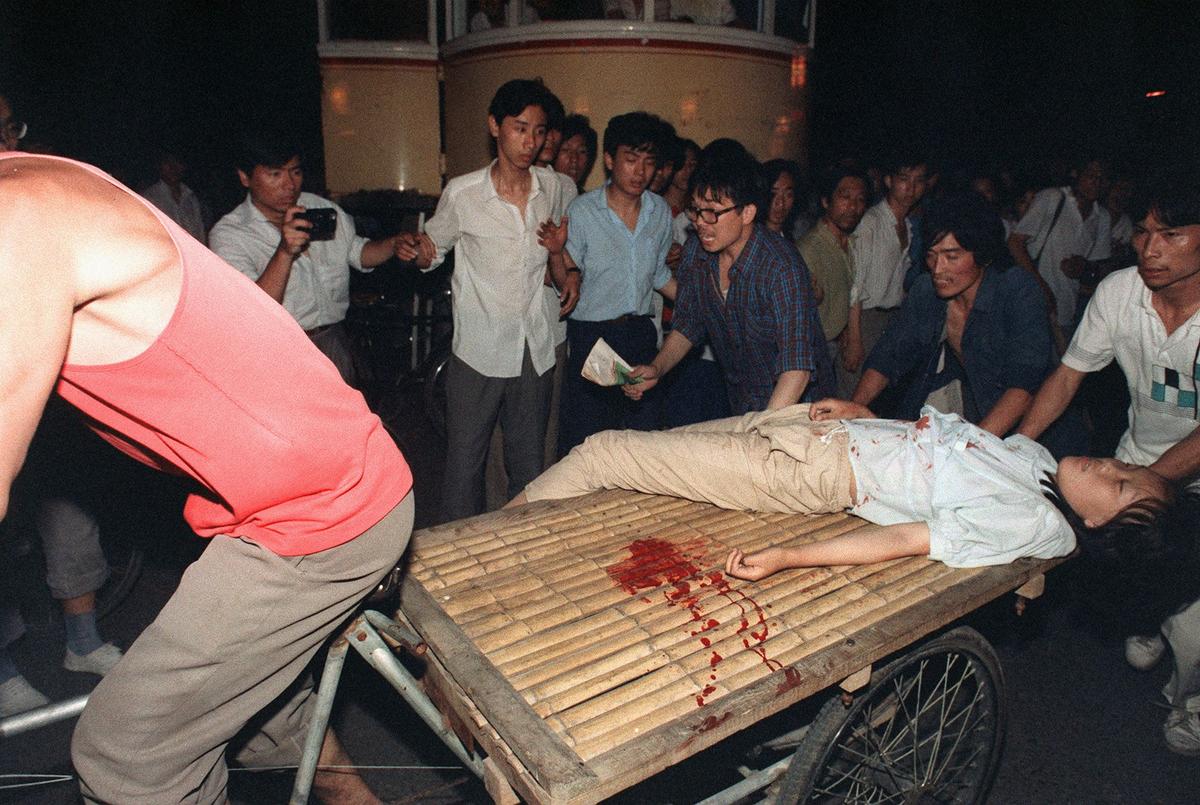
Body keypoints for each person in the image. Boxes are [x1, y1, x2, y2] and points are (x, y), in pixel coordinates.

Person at [0, 152, 414, 802]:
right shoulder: (33, 184)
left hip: (320, 507)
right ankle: (343, 785)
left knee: (128, 751)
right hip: (289, 492)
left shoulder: (16, 217)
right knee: (254, 712)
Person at [511, 401, 1170, 575]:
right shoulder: (1038, 465)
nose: (1111, 466)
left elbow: (907, 538)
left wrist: (789, 556)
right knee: (635, 460)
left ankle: (477, 548)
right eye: (1127, 468)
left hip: (814, 472)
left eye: (1119, 489)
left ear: (1102, 530)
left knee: (606, 453)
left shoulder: (1039, 522)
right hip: (820, 430)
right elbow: (933, 448)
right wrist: (862, 411)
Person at [1017, 176, 1200, 756]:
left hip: (1183, 479)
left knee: (1195, 632)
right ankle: (1150, 616)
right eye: (1144, 233)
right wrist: (1016, 445)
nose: (1150, 249)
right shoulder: (1121, 291)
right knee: (1133, 578)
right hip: (1137, 459)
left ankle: (1187, 703)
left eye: (1170, 235)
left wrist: (1150, 486)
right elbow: (1070, 374)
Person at [396, 79, 576, 521]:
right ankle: (455, 559)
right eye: (520, 128)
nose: (530, 142)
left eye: (538, 131)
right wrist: (418, 253)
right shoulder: (464, 192)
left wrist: (565, 265)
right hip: (479, 349)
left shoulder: (552, 188)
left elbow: (561, 242)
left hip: (533, 347)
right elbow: (433, 249)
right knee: (464, 466)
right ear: (495, 126)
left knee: (529, 466)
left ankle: (517, 550)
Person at [0, 93, 123, 719]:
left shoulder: (30, 195)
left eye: (11, 129)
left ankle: (83, 641)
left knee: (72, 521)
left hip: (44, 396)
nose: (9, 146)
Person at [851, 192, 1079, 456]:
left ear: (981, 254)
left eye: (952, 256)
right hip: (982, 421)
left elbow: (1023, 387)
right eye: (932, 256)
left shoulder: (1017, 290)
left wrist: (970, 450)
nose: (938, 269)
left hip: (1038, 435)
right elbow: (888, 356)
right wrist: (853, 409)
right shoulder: (927, 290)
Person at [625, 139, 830, 414]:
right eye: (695, 210)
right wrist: (657, 368)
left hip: (799, 409)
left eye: (712, 213)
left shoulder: (781, 267)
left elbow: (797, 369)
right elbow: (689, 323)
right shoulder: (697, 252)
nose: (699, 222)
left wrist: (761, 432)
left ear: (747, 212)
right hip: (743, 401)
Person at [209, 132, 407, 386]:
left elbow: (358, 253)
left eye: (295, 172)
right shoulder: (231, 234)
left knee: (343, 422)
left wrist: (393, 243)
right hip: (276, 351)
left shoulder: (321, 209)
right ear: (245, 177)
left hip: (332, 341)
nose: (289, 185)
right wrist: (285, 252)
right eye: (275, 174)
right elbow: (252, 310)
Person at [553, 112, 676, 456]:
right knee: (587, 445)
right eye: (631, 159)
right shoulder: (582, 211)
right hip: (593, 339)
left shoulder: (660, 212)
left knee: (642, 444)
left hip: (639, 334)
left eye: (649, 162)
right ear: (609, 160)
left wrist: (705, 304)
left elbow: (657, 274)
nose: (640, 172)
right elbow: (564, 278)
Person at [842, 156, 929, 395]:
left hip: (890, 320)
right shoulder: (870, 222)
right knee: (852, 396)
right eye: (904, 179)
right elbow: (854, 284)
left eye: (918, 180)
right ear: (889, 181)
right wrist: (855, 336)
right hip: (864, 319)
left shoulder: (909, 227)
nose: (911, 188)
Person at [1008, 156, 1112, 343]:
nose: (1096, 182)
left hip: (1065, 312)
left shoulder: (1102, 217)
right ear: (1076, 174)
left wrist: (1084, 268)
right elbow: (1015, 243)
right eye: (1091, 175)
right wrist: (1042, 288)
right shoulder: (1053, 198)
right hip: (1029, 308)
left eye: (1102, 178)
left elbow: (1101, 270)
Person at [799, 165, 870, 398]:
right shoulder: (810, 248)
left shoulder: (849, 243)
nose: (853, 207)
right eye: (845, 197)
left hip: (832, 345)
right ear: (825, 201)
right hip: (811, 350)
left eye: (860, 200)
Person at [141, 148, 207, 244]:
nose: (173, 168)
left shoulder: (191, 198)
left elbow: (200, 234)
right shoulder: (150, 198)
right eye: (168, 163)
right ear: (160, 166)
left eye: (177, 162)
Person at [554, 113, 598, 193]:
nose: (574, 158)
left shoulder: (588, 203)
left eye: (582, 151)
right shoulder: (540, 195)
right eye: (566, 149)